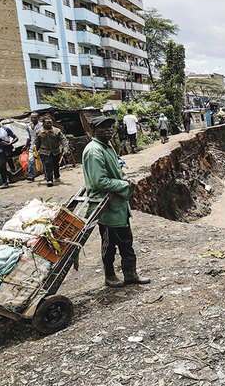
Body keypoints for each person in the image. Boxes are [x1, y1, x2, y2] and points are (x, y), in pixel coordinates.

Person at [82, 116, 150, 288]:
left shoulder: (107, 146)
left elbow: (116, 171)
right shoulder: (94, 151)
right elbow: (99, 181)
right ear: (93, 131)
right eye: (103, 127)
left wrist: (124, 178)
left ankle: (130, 274)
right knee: (109, 244)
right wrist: (124, 184)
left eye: (110, 126)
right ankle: (110, 276)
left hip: (118, 205)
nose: (108, 129)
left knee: (126, 242)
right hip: (106, 207)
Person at [35, 117, 68, 187]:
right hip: (44, 151)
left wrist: (65, 148)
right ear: (43, 124)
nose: (49, 124)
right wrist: (35, 151)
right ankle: (49, 180)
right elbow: (37, 142)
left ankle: (57, 176)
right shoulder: (39, 132)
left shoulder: (57, 131)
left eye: (50, 123)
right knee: (48, 164)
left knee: (56, 164)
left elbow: (63, 140)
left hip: (55, 151)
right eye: (47, 123)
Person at [22, 112, 42, 182]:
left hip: (41, 145)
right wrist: (25, 146)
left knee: (44, 160)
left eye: (35, 118)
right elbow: (29, 137)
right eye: (32, 118)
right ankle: (31, 176)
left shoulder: (42, 125)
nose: (33, 119)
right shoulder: (28, 126)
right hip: (32, 145)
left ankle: (47, 175)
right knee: (30, 160)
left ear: (38, 118)